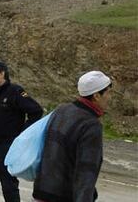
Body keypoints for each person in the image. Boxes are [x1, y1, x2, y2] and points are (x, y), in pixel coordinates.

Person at [33, 71, 112, 202]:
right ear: (97, 95)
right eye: (109, 93)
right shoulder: (91, 125)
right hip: (65, 195)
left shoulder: (61, 110)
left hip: (42, 192)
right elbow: (86, 171)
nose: (110, 97)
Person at [0, 61, 43, 202]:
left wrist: (22, 135)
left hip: (7, 148)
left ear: (2, 74)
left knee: (9, 187)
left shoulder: (15, 92)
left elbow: (36, 111)